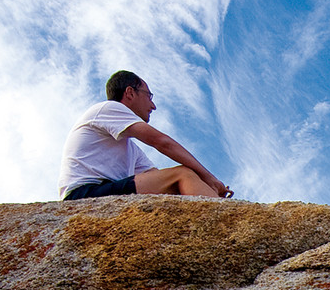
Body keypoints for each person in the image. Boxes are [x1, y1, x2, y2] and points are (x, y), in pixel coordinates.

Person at [58, 70, 233, 200]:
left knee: (180, 182)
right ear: (130, 93)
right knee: (183, 174)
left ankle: (220, 214)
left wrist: (203, 186)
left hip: (101, 191)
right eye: (149, 96)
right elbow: (162, 142)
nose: (153, 105)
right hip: (82, 193)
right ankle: (228, 222)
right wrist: (209, 178)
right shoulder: (109, 108)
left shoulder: (130, 149)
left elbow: (158, 179)